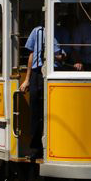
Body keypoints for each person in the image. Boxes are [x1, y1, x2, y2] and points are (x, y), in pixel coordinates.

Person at [19, 24, 63, 160]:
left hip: (56, 72)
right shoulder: (37, 30)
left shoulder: (61, 31)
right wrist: (27, 79)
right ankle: (35, 148)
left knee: (54, 112)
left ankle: (55, 146)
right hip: (37, 73)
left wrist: (58, 56)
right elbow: (32, 54)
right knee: (35, 112)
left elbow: (63, 55)